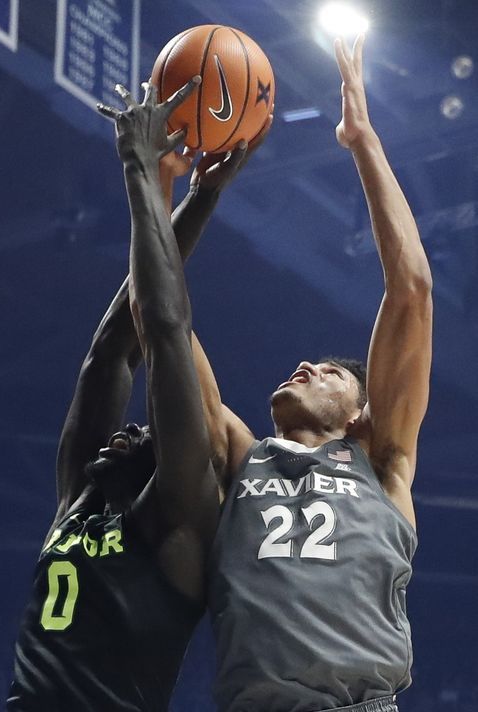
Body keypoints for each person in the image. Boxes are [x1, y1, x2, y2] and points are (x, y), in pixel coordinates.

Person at [7, 76, 265, 711]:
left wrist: (139, 171)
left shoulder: (179, 520)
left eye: (145, 431)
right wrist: (200, 195)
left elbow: (166, 330)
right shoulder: (81, 496)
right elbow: (111, 352)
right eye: (139, 429)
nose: (128, 429)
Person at [192, 35, 433, 712]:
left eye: (328, 373)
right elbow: (164, 323)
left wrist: (362, 138)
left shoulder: (381, 463)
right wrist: (163, 194)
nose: (305, 367)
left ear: (360, 416)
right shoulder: (241, 457)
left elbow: (411, 290)